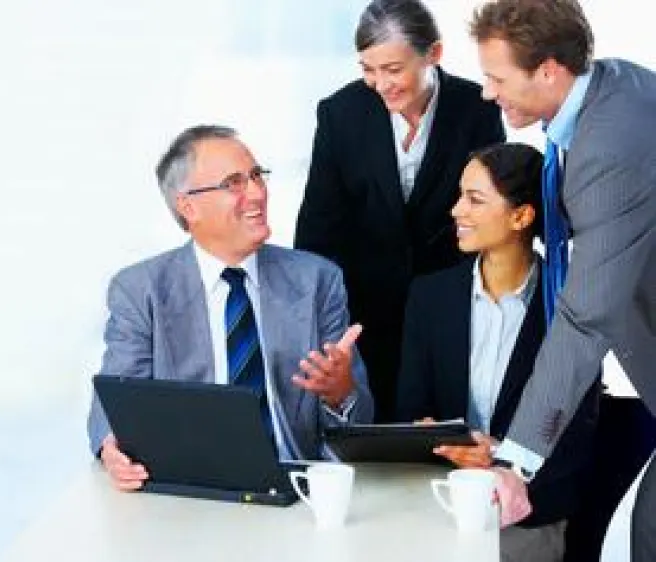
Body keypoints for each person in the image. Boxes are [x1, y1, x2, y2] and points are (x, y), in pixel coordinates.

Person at [466, 1, 656, 559]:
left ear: (548, 70)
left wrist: (517, 458)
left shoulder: (611, 145)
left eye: (498, 78)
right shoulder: (607, 90)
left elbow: (586, 316)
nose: (487, 93)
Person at [85, 125, 374, 490]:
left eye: (256, 176)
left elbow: (359, 424)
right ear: (188, 206)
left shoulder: (316, 279)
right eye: (234, 183)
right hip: (190, 489)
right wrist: (113, 445)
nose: (257, 193)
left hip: (297, 487)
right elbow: (118, 397)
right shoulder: (141, 290)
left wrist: (340, 392)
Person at [294, 0, 505, 421]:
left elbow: (491, 212)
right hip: (366, 308)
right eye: (368, 70)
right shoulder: (341, 114)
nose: (380, 84)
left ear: (434, 54)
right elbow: (319, 227)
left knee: (444, 429)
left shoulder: (477, 108)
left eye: (393, 69)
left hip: (450, 306)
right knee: (378, 427)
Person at [396, 143, 596, 562]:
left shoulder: (570, 307)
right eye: (460, 196)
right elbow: (412, 408)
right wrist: (434, 438)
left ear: (521, 216)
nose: (456, 211)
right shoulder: (430, 296)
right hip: (441, 499)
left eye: (474, 199)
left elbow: (576, 433)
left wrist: (504, 457)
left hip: (528, 513)